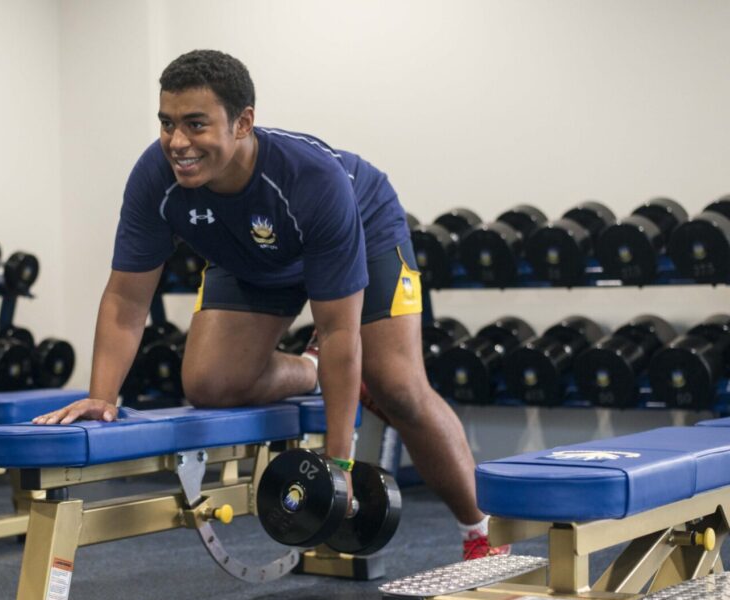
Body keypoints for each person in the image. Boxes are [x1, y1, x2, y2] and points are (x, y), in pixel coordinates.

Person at [34, 49, 507, 560]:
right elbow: (127, 297)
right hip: (252, 258)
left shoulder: (312, 181)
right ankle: (310, 367)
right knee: (210, 385)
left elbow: (342, 331)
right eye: (167, 124)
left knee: (399, 387)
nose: (177, 142)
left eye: (196, 124)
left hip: (360, 227)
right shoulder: (156, 179)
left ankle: (479, 529)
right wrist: (103, 397)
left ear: (243, 123)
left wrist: (339, 467)